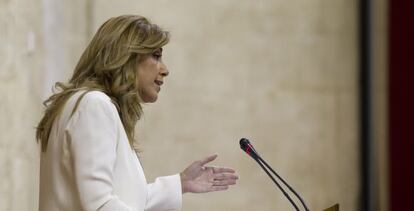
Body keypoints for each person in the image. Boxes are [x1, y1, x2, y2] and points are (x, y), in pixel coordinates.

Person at [36, 15, 238, 211]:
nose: (165, 69)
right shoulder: (94, 105)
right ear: (127, 57)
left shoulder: (88, 104)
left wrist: (181, 183)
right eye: (156, 56)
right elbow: (100, 205)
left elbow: (124, 200)